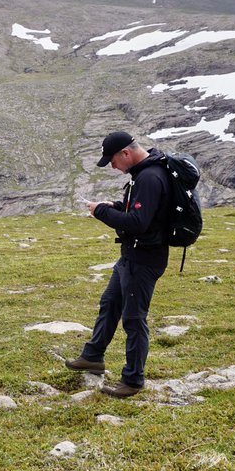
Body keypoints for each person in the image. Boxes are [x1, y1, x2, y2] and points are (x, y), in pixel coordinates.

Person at [66, 131, 171, 397]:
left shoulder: (149, 177)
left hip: (144, 259)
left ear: (126, 153)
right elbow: (137, 211)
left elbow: (138, 222)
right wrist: (112, 205)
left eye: (112, 161)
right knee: (110, 302)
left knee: (134, 319)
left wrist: (101, 212)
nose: (113, 167)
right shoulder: (143, 174)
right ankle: (93, 356)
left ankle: (133, 380)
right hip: (131, 255)